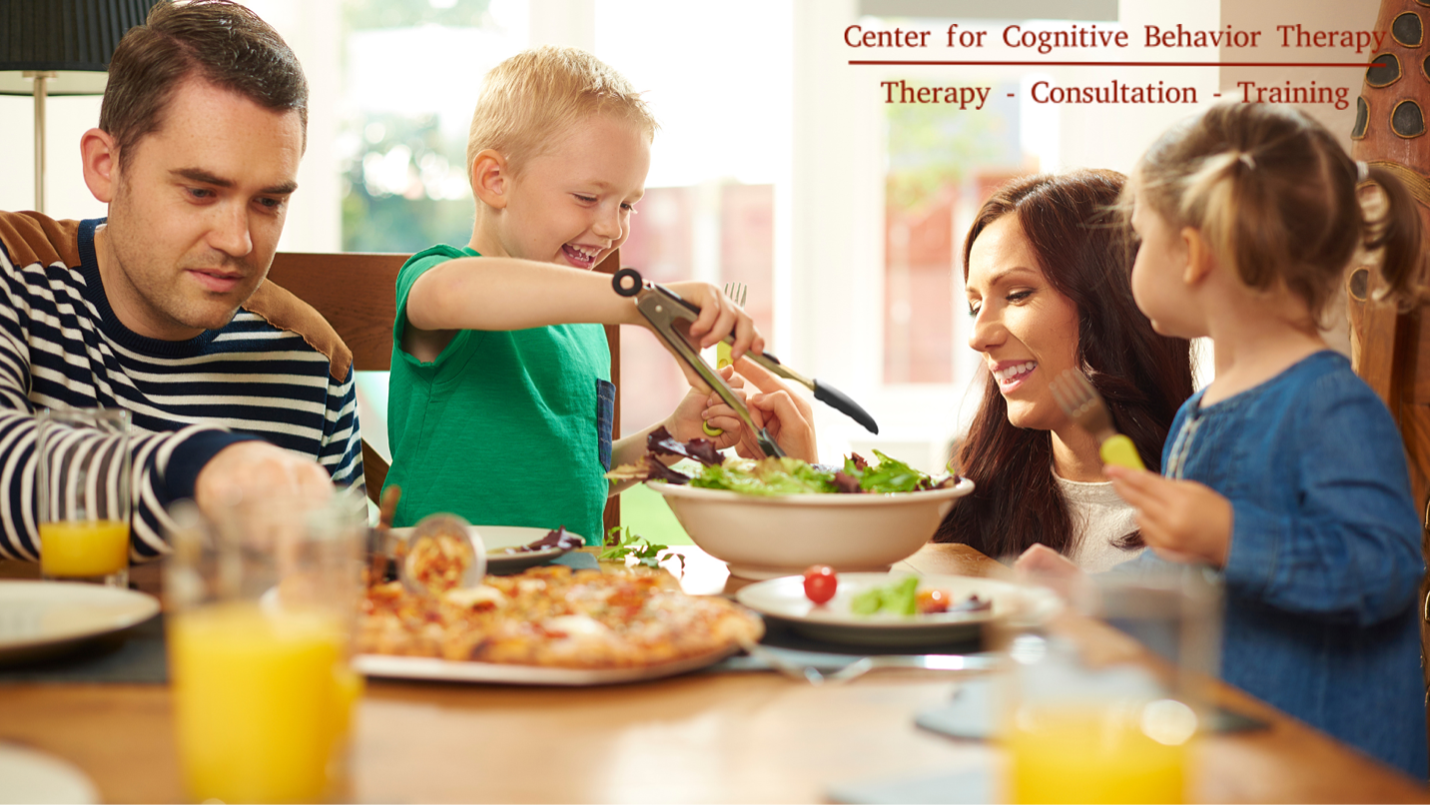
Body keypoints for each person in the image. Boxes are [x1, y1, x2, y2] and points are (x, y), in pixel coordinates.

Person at [1088, 103, 1424, 777]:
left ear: (1191, 253)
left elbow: (1385, 567)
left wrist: (1232, 534)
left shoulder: (1330, 405)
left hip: (1336, 772)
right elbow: (1192, 571)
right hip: (1239, 761)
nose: (1135, 259)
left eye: (1141, 238)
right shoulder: (1197, 414)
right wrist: (1091, 595)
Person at [0, 0, 361, 563]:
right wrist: (200, 468)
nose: (238, 241)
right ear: (105, 165)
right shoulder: (14, 273)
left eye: (268, 201)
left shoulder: (315, 361)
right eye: (200, 191)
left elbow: (341, 589)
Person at [384, 47, 760, 544]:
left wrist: (670, 439)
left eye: (628, 204)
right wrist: (643, 303)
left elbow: (588, 484)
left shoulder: (587, 330)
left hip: (568, 593)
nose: (613, 228)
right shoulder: (440, 278)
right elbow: (456, 292)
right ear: (495, 180)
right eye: (588, 197)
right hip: (445, 592)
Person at [931, 171, 1193, 571]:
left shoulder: (1207, 518)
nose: (978, 335)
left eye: (1017, 295)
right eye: (974, 305)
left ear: (1110, 305)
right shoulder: (972, 505)